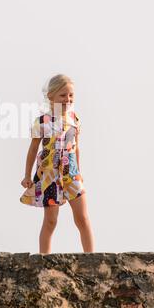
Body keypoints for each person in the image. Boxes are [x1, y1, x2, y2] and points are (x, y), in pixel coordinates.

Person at [20, 74, 94, 254]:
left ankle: (92, 257)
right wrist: (27, 175)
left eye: (71, 95)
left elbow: (76, 148)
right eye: (63, 95)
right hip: (49, 175)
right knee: (51, 220)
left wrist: (80, 172)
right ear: (51, 96)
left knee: (82, 218)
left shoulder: (74, 120)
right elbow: (33, 150)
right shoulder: (42, 122)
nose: (67, 99)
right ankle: (44, 259)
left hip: (71, 173)